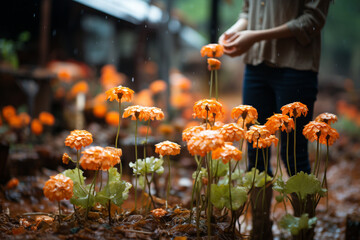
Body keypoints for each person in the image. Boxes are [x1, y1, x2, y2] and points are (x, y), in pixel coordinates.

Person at [219, 0, 331, 239]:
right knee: (255, 148)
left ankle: (304, 232)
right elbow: (249, 11)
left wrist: (254, 36)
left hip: (295, 67)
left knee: (293, 154)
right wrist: (236, 30)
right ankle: (260, 231)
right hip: (256, 67)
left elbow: (311, 21)